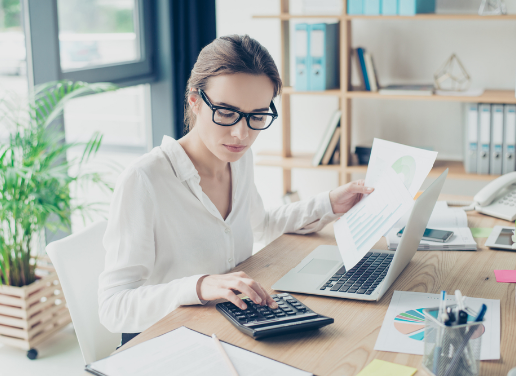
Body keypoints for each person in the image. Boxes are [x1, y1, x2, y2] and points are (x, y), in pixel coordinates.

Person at [98, 34, 374, 346]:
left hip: (227, 329)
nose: (241, 133)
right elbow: (113, 307)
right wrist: (200, 286)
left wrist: (328, 204)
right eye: (227, 113)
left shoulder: (239, 160)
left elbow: (262, 226)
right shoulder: (144, 180)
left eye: (257, 116)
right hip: (167, 342)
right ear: (194, 101)